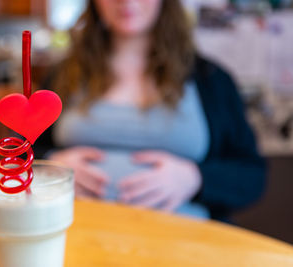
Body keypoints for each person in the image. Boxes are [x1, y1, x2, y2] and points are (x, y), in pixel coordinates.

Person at [34, 0, 266, 221]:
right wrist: (49, 165)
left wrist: (196, 178)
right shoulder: (63, 75)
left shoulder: (212, 80)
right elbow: (18, 154)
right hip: (77, 237)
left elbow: (252, 175)